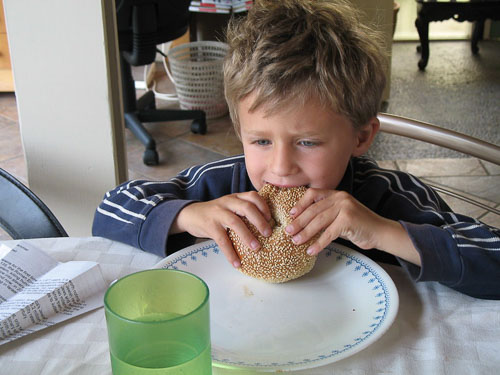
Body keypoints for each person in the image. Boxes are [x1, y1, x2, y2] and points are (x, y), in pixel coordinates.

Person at [92, 0, 500, 299]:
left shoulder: (386, 196)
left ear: (360, 137)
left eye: (307, 142)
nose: (281, 168)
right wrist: (187, 215)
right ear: (239, 131)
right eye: (261, 141)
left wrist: (385, 232)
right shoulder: (221, 185)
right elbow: (111, 209)